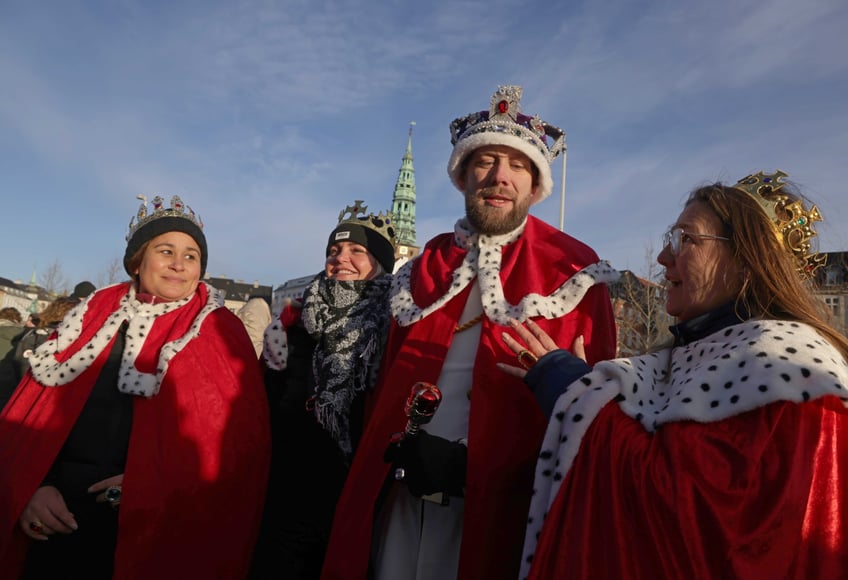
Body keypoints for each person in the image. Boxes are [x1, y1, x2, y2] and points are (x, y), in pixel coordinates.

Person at [322, 85, 619, 580]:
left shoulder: (573, 269)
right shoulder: (425, 266)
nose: (500, 177)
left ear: (534, 185)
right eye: (485, 162)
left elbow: (590, 410)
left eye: (518, 165)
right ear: (462, 176)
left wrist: (481, 464)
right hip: (401, 490)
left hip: (504, 502)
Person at [502, 170, 848, 579]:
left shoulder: (788, 368)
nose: (665, 257)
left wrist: (573, 392)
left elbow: (686, 522)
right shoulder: (711, 350)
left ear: (747, 262)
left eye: (687, 239)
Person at [0, 194, 271, 579]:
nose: (179, 264)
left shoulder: (219, 331)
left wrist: (154, 484)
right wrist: (32, 487)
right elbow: (28, 415)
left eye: (191, 256)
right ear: (137, 262)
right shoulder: (89, 317)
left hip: (161, 526)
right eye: (166, 251)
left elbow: (240, 445)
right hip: (57, 516)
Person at [250, 200, 396, 579]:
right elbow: (264, 403)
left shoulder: (394, 327)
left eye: (356, 251)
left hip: (358, 493)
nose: (341, 259)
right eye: (334, 251)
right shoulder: (292, 326)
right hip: (289, 493)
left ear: (380, 264)